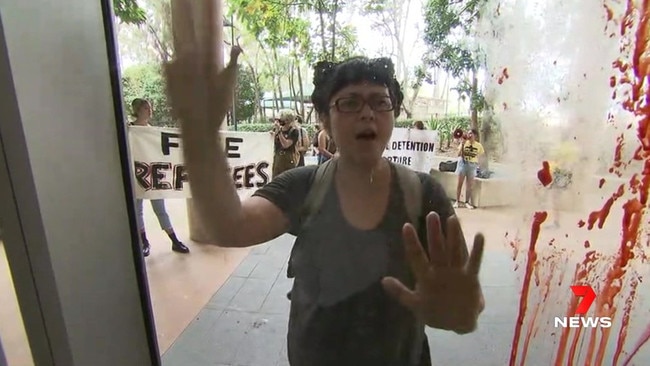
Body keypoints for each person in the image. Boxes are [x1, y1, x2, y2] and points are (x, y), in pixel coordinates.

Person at [165, 42, 485, 366]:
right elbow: (228, 227)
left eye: (380, 102)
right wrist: (199, 132)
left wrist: (459, 313)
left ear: (395, 113)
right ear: (324, 119)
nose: (367, 113)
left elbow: (465, 305)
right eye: (349, 103)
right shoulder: (304, 186)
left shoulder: (424, 193)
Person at [129, 98, 190, 256]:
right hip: (137, 176)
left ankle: (174, 241)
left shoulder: (151, 131)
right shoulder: (130, 130)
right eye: (145, 108)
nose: (149, 111)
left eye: (149, 108)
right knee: (137, 211)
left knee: (160, 210)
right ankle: (144, 241)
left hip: (153, 176)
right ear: (138, 110)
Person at [454, 129, 484, 209]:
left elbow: (480, 156)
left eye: (471, 134)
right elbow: (458, 154)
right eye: (468, 133)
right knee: (459, 184)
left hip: (472, 165)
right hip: (463, 164)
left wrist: (479, 166)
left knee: (469, 185)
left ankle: (467, 202)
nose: (469, 135)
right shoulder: (464, 142)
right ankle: (457, 201)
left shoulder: (479, 146)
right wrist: (462, 144)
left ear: (475, 136)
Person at [272, 109, 301, 177]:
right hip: (277, 158)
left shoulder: (294, 131)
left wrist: (279, 132)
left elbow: (286, 144)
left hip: (288, 159)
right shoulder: (276, 130)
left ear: (287, 120)